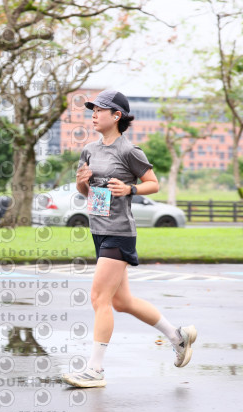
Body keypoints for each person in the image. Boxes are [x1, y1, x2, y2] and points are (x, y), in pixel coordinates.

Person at [61, 89, 197, 388]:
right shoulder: (89, 151)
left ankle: (95, 370)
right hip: (98, 230)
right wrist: (82, 184)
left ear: (116, 116)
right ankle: (178, 336)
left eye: (100, 110)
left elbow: (153, 184)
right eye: (93, 110)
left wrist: (130, 189)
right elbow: (87, 193)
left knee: (99, 298)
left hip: (119, 232)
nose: (94, 114)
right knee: (122, 302)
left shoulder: (129, 151)